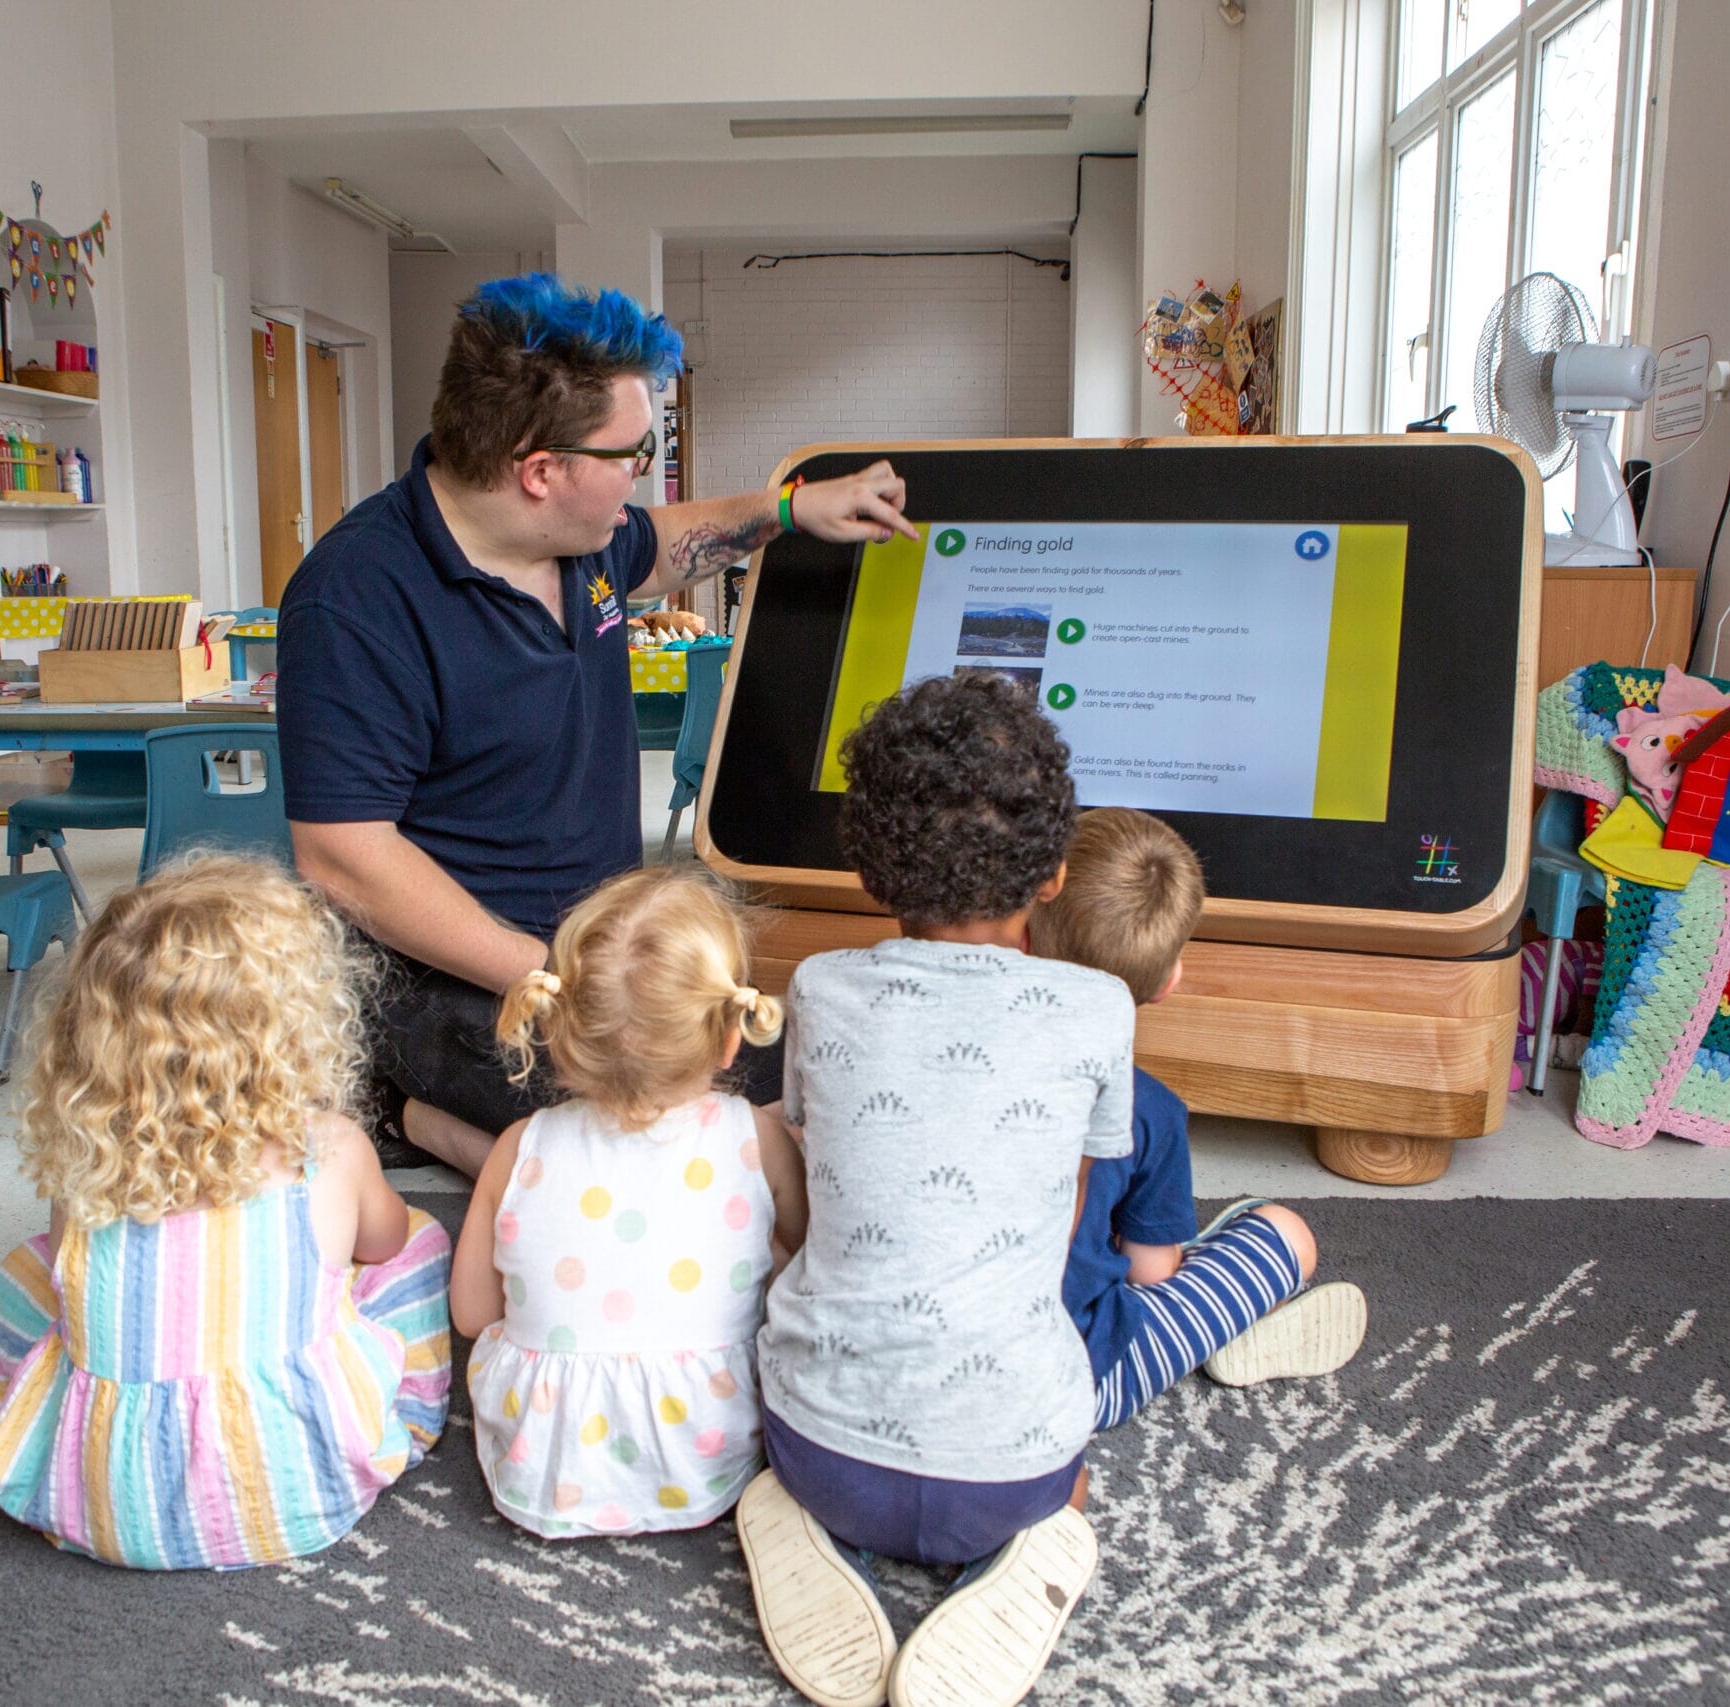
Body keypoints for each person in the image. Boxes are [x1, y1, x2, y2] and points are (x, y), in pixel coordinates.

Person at [278, 273, 917, 1178]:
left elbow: (665, 541)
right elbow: (342, 855)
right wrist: (554, 972)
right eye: (633, 451)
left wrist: (787, 509)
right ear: (540, 471)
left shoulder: (584, 539)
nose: (643, 471)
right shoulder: (356, 598)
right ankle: (410, 1112)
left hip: (604, 951)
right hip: (459, 979)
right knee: (658, 1131)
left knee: (802, 1065)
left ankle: (472, 1124)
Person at [739, 674, 1119, 1707]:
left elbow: (819, 1164)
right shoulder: (1100, 1007)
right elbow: (1065, 1219)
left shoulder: (818, 985)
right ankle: (1027, 1552)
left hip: (820, 1452)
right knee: (1070, 1470)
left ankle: (803, 1522)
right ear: (1054, 874)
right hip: (1013, 1474)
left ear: (871, 869)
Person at [0, 855, 452, 1570]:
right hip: (297, 1496)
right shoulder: (327, 1150)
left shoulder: (85, 1169)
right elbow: (382, 1244)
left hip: (107, 1508)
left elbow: (76, 1297)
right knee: (419, 1241)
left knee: (30, 1270)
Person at [449, 864, 808, 1539]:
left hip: (543, 1461)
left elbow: (470, 1314)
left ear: (557, 1028)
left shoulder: (521, 1144)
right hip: (705, 1450)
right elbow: (808, 1256)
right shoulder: (754, 1138)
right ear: (731, 1036)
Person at [1029, 807, 1367, 1430]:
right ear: (1169, 980)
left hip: (909, 1371)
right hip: (1070, 1390)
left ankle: (1216, 1319)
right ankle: (1224, 1323)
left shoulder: (952, 1056)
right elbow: (1150, 1274)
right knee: (1283, 1230)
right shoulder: (1148, 1107)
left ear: (1022, 935)